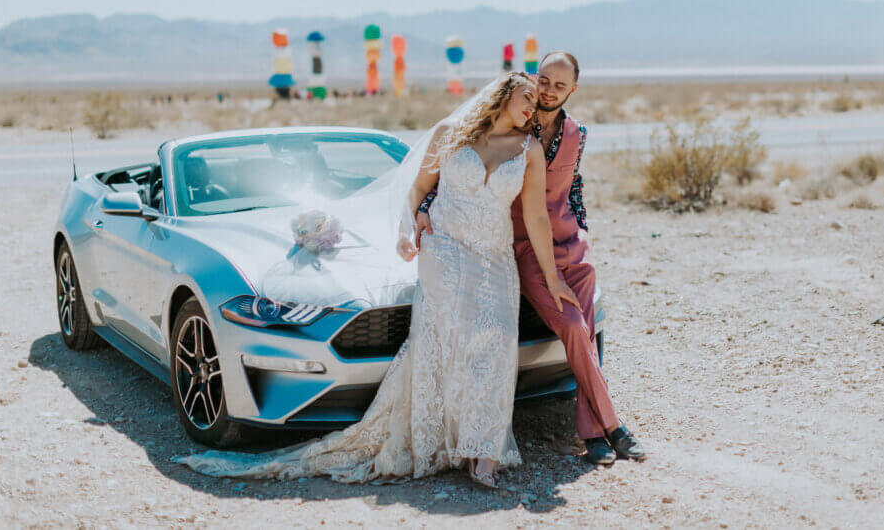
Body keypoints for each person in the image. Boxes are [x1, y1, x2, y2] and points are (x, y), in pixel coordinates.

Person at [177, 71, 577, 488]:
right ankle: (447, 442)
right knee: (445, 345)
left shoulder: (529, 149)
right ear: (503, 94)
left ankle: (484, 449)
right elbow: (419, 187)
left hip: (494, 259)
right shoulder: (449, 134)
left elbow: (535, 217)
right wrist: (411, 224)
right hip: (445, 252)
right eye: (527, 95)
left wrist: (552, 278)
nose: (535, 104)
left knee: (494, 344)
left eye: (538, 99)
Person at [418, 52, 646, 465]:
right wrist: (425, 205)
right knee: (575, 327)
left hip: (572, 247)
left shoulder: (577, 133)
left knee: (587, 330)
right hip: (525, 247)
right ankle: (611, 426)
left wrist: (584, 231)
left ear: (572, 90)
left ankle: (593, 433)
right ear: (533, 80)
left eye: (560, 85)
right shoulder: (515, 125)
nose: (548, 91)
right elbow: (458, 175)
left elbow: (574, 186)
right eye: (544, 81)